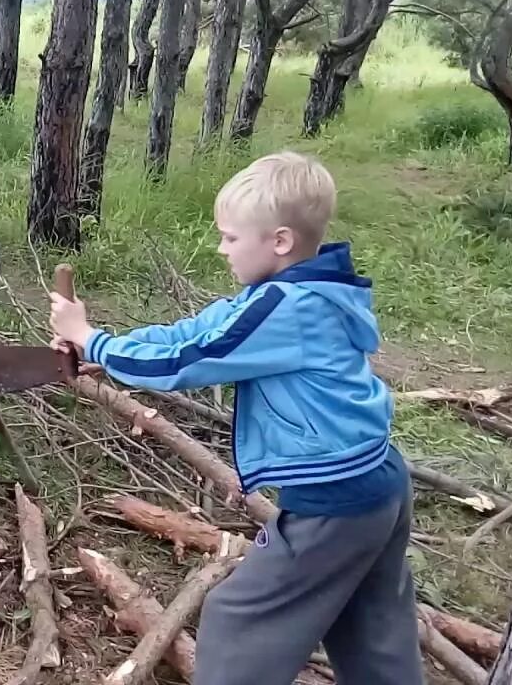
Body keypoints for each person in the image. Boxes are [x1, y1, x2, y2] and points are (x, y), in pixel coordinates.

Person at [50, 151, 422, 685]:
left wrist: (91, 338)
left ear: (279, 242)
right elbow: (192, 334)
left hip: (335, 500)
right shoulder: (293, 294)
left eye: (230, 237)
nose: (221, 247)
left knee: (235, 622)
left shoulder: (284, 308)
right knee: (372, 628)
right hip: (377, 481)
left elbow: (188, 362)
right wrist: (108, 350)